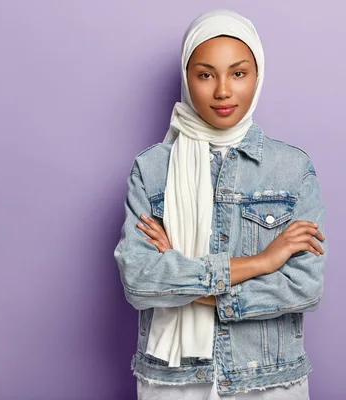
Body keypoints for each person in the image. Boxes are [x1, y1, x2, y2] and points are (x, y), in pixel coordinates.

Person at [114, 9, 327, 399]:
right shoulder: (152, 168)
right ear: (187, 78)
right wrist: (263, 263)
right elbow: (140, 281)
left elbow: (302, 287)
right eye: (206, 74)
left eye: (239, 73)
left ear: (258, 76)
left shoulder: (293, 170)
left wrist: (183, 277)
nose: (223, 91)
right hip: (175, 382)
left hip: (267, 380)